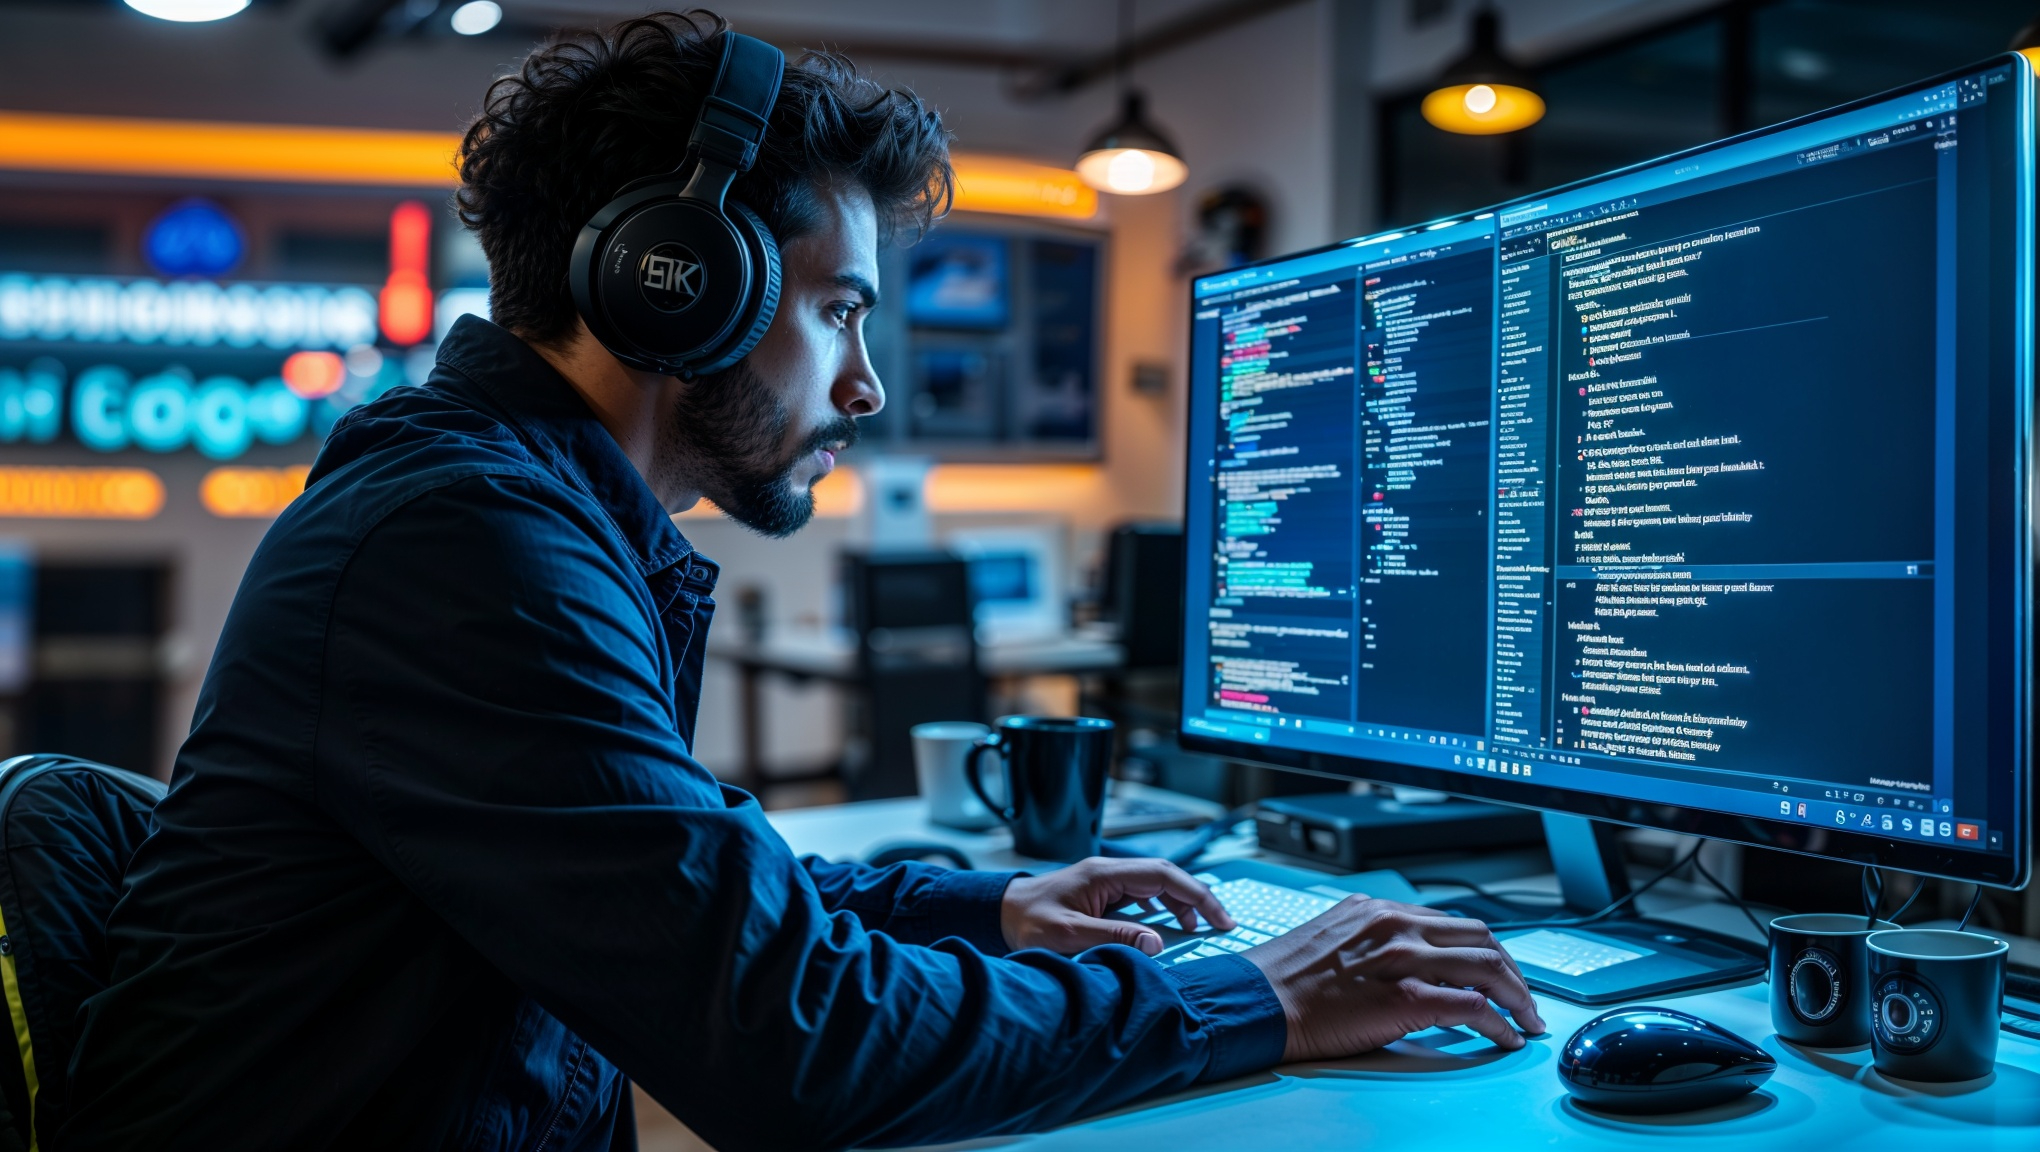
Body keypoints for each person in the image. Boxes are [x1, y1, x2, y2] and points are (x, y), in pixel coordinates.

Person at [57, 11, 1543, 1151]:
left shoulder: (514, 516)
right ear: (678, 282)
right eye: (838, 311)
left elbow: (679, 888)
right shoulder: (465, 550)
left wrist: (992, 908)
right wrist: (1262, 995)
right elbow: (790, 1046)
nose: (865, 382)